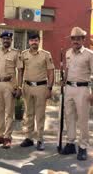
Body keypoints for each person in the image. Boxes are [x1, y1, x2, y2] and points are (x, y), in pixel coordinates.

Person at [59, 27, 93, 161]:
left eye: (78, 38)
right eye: (73, 38)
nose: (75, 41)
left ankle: (83, 147)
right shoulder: (68, 53)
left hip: (83, 90)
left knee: (83, 119)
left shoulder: (89, 54)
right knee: (69, 117)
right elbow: (68, 69)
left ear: (83, 40)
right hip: (69, 88)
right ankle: (71, 143)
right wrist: (64, 80)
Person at [18, 33, 54, 151]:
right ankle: (28, 138)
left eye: (36, 40)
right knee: (28, 114)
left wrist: (49, 88)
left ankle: (40, 139)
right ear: (29, 42)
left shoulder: (46, 55)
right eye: (32, 40)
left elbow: (50, 72)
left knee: (40, 115)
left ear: (39, 41)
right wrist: (19, 86)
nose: (34, 42)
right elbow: (20, 71)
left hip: (41, 87)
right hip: (27, 86)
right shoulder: (24, 54)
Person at [0, 31, 21, 149]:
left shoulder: (15, 53)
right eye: (4, 39)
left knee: (9, 112)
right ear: (1, 40)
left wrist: (18, 87)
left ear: (11, 40)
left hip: (9, 84)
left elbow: (20, 70)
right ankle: (0, 135)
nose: (6, 41)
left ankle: (8, 137)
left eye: (8, 39)